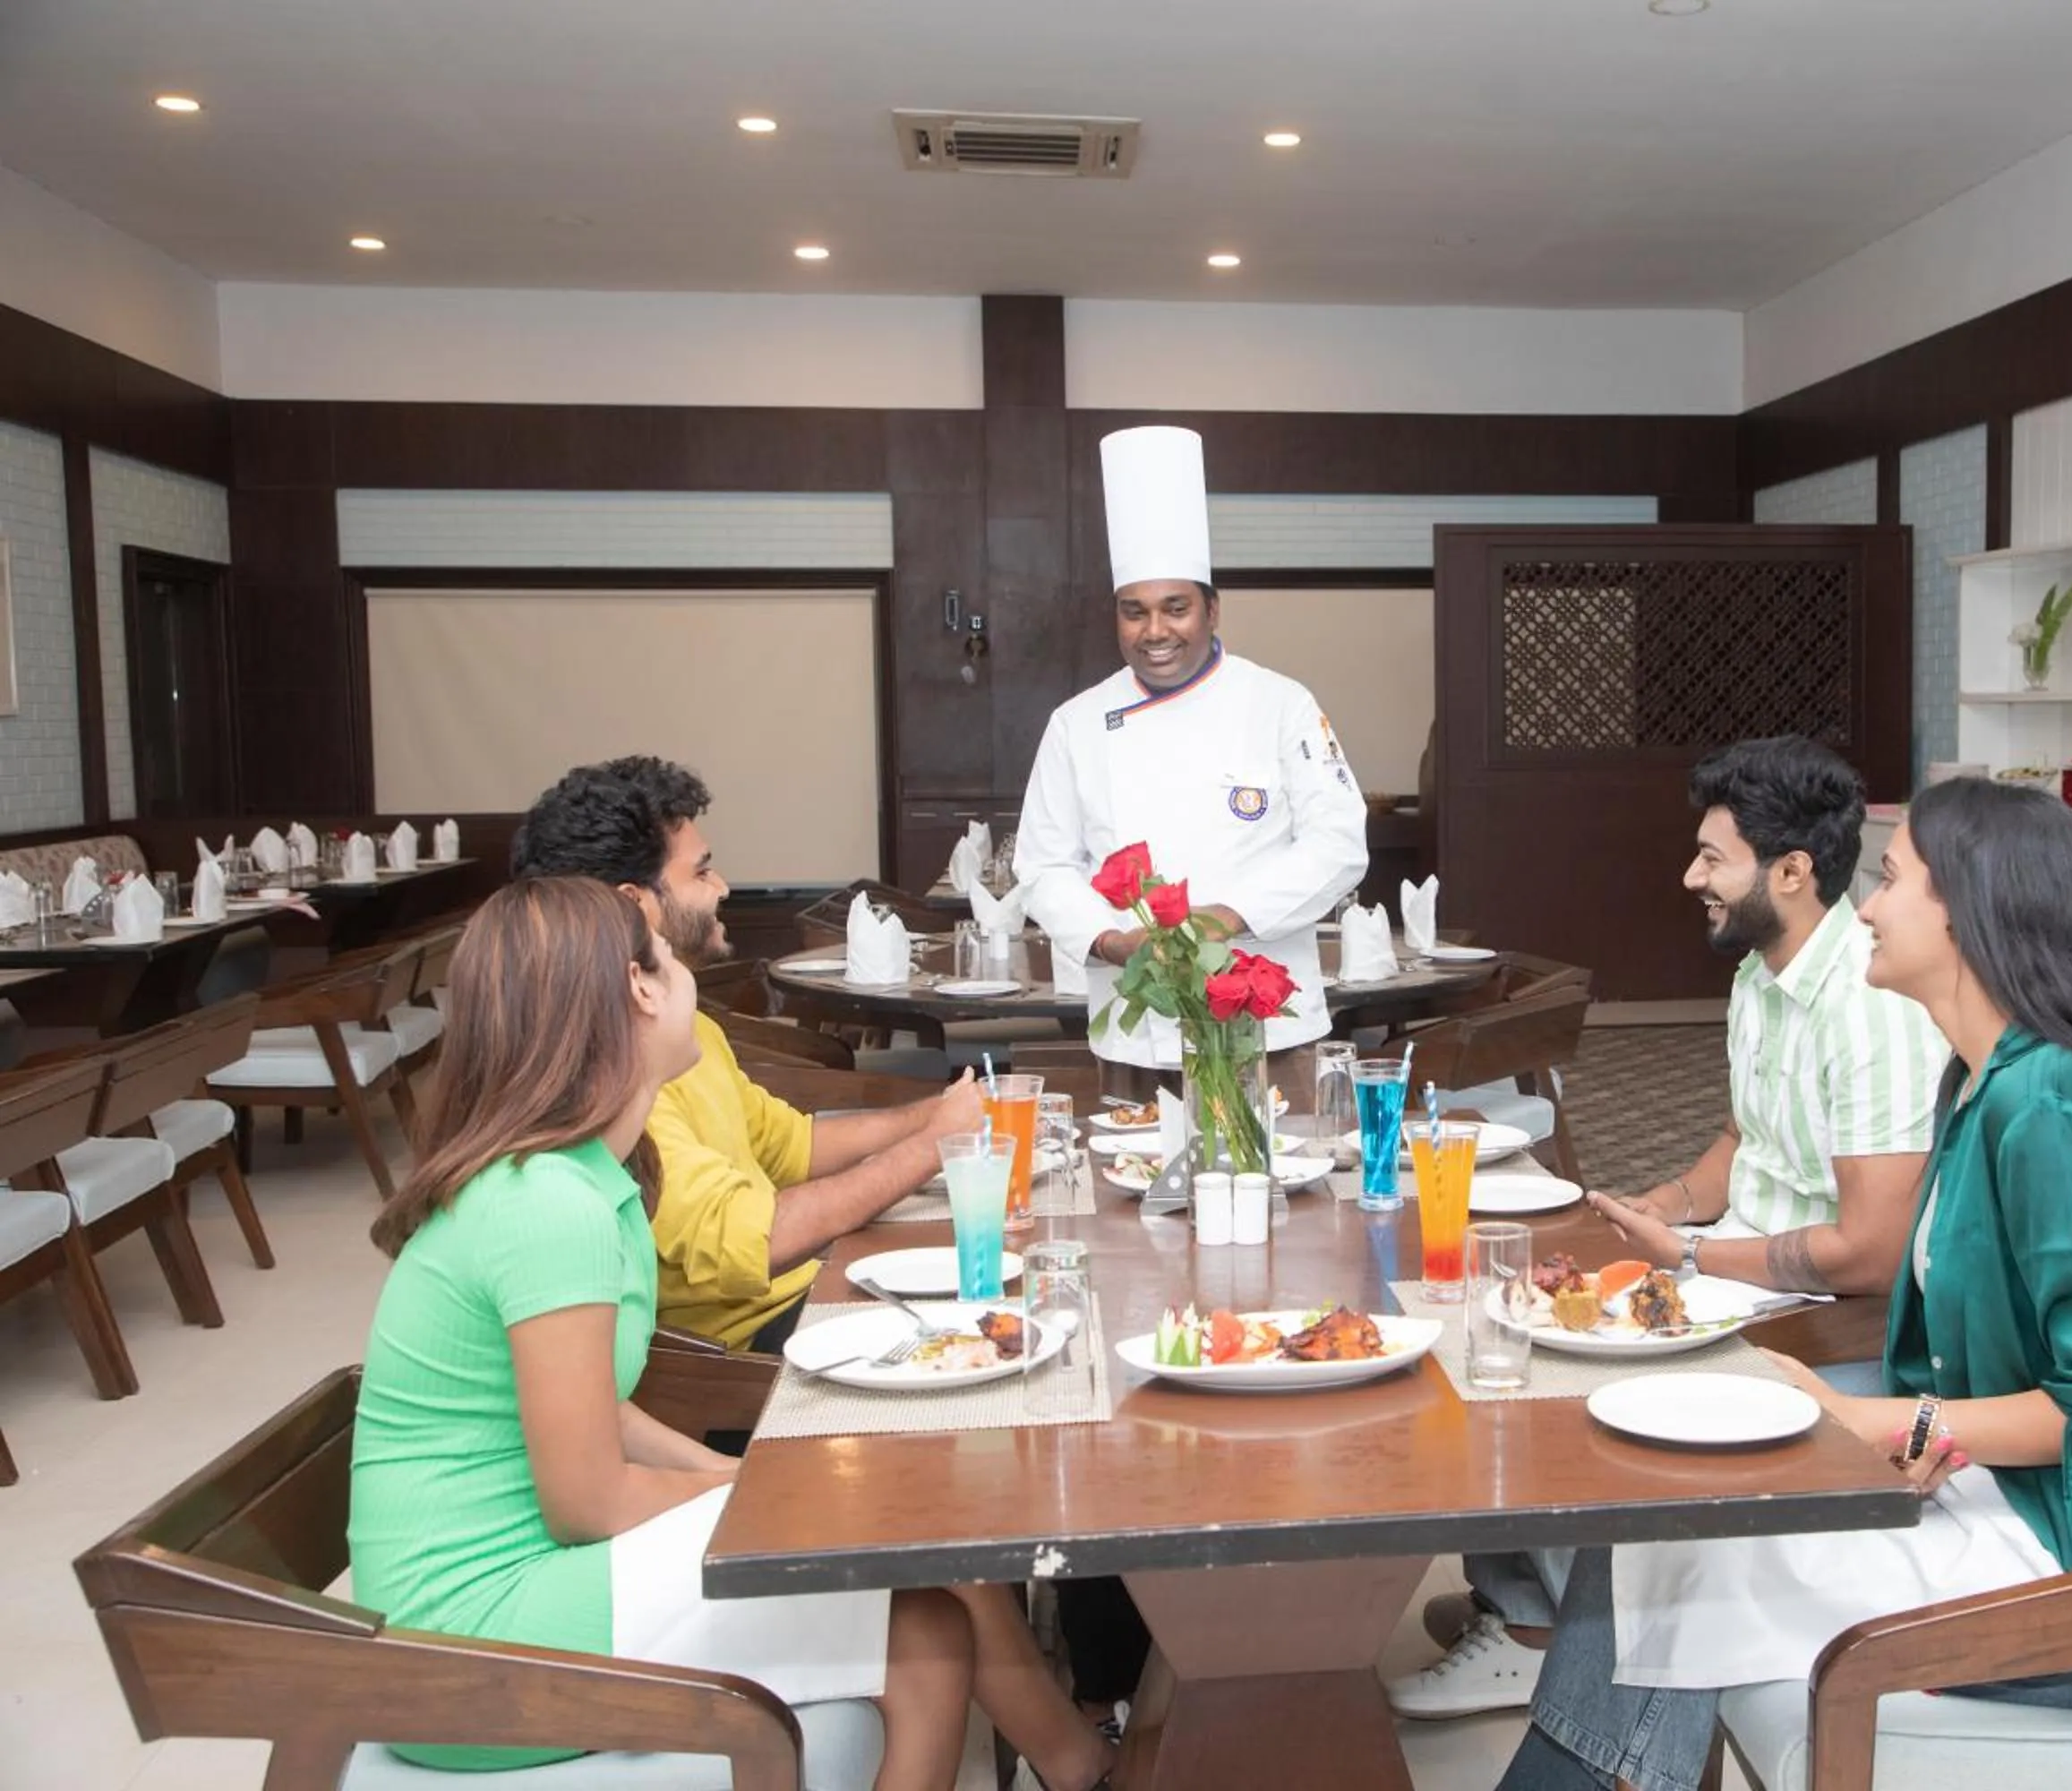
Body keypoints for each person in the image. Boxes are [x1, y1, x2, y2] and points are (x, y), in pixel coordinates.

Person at [1495, 777, 2072, 1791]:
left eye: (1893, 879)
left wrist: (1874, 1426)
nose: (1864, 904)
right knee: (1671, 1517)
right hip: (2025, 1505)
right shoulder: (1984, 1081)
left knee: (1685, 1550)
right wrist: (1909, 1440)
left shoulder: (2047, 1110)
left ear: (1971, 912)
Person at [350, 878, 1116, 1791]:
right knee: (917, 1615)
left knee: (913, 1551)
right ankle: (1086, 1765)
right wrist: (776, 1502)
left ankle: (1081, 1765)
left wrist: (747, 1478)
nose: (687, 979)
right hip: (471, 1641)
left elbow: (604, 1412)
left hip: (516, 1587)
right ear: (637, 992)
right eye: (667, 961)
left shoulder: (582, 1176)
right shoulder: (549, 1206)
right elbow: (586, 1500)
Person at [1389, 733, 1948, 1720]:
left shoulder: (1868, 1003)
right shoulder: (1761, 975)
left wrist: (1690, 1255)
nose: (1690, 876)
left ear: (1791, 870)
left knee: (1564, 1377)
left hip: (1826, 1320)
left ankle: (1544, 1631)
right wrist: (1666, 1204)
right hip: (1745, 1270)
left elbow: (1875, 1252)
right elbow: (1746, 1135)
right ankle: (1529, 1608)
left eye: (1712, 857)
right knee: (1491, 1318)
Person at [511, 757, 983, 1356]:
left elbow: (790, 1146)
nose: (723, 887)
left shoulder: (683, 1030)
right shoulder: (609, 1066)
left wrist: (938, 1115)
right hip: (743, 1357)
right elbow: (749, 1240)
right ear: (635, 906)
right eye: (701, 872)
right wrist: (932, 1146)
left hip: (803, 1290)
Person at [1017, 424, 1368, 1072]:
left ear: (1212, 610)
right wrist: (1110, 939)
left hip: (1269, 1023)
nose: (1155, 631)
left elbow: (1339, 843)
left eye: (1175, 607)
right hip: (1135, 1027)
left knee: (1285, 1171)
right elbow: (1043, 865)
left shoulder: (1281, 703)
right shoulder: (1077, 722)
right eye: (1134, 610)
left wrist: (1229, 917)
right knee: (1129, 1171)